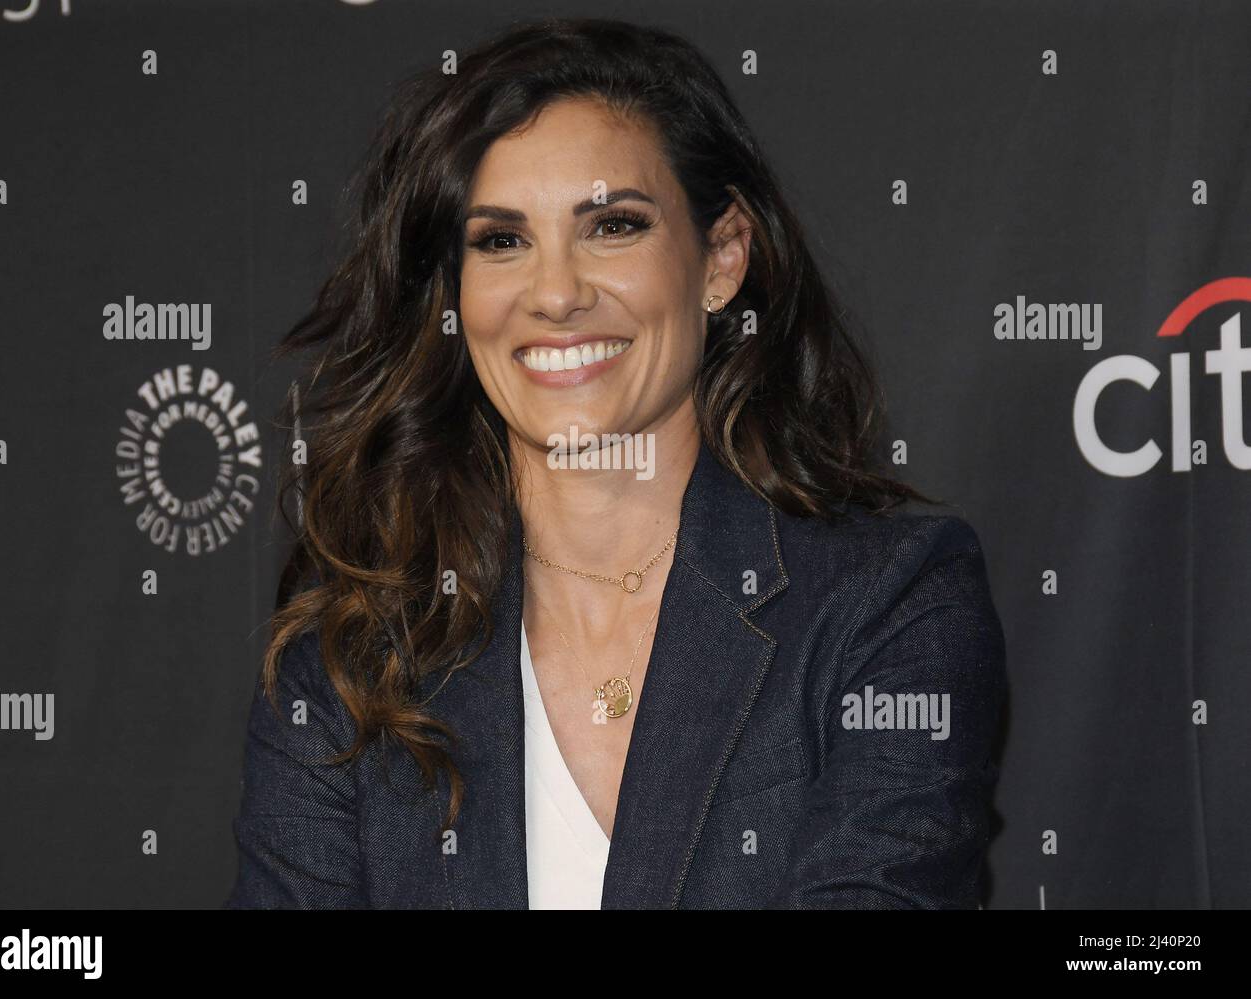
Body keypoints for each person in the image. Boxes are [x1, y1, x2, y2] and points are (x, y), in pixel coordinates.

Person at [224, 15, 1006, 910]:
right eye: (501, 241)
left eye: (613, 226)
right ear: (455, 292)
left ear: (721, 258)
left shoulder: (888, 602)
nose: (556, 294)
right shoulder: (352, 659)